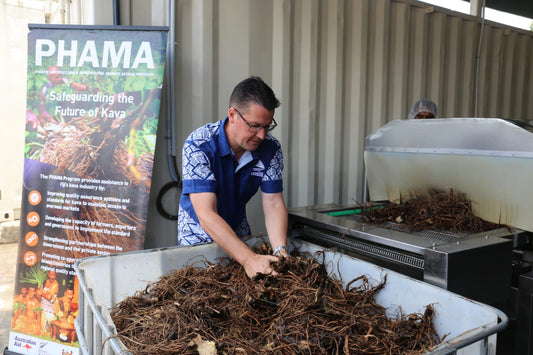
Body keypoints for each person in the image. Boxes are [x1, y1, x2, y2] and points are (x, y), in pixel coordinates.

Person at [178, 76, 289, 279]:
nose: (262, 135)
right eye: (254, 126)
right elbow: (206, 214)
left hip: (238, 228)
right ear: (233, 115)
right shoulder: (199, 145)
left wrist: (280, 250)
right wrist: (248, 259)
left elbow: (273, 202)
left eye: (267, 126)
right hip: (198, 234)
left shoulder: (270, 149)